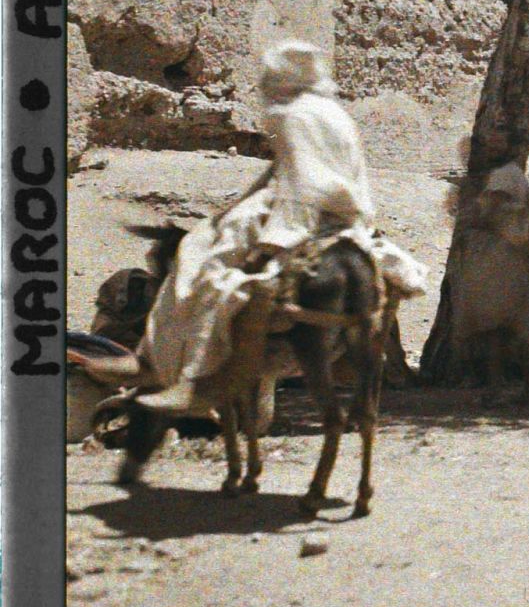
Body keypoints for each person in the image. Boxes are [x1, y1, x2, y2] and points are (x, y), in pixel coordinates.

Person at [137, 41, 429, 413]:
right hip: (352, 220)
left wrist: (276, 240)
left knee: (205, 262)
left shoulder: (292, 115)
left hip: (306, 215)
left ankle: (192, 373)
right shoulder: (335, 113)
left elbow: (304, 182)